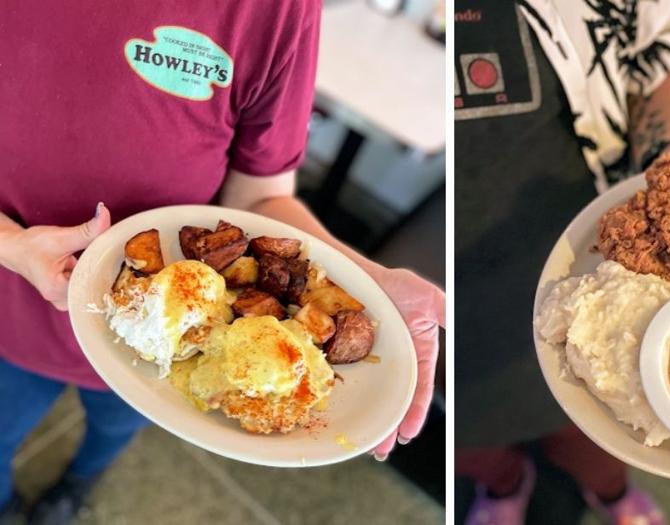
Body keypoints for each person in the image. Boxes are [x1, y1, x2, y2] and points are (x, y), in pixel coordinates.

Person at [0, 2, 444, 523]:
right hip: (12, 312)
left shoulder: (277, 10)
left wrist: (367, 282)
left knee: (113, 429)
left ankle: (78, 484)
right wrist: (10, 244)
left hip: (167, 343)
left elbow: (258, 197)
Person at [455, 1, 670, 524]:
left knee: (596, 430)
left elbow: (658, 58)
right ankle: (507, 485)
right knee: (465, 437)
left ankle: (611, 493)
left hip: (593, 267)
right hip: (455, 294)